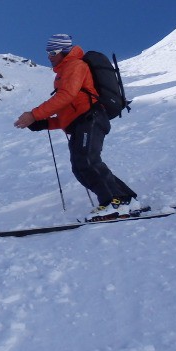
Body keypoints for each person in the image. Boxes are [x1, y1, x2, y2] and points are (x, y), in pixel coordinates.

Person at [13, 34, 137, 219]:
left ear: (64, 51)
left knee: (86, 162)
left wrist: (34, 114)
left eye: (53, 51)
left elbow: (67, 96)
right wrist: (44, 123)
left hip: (91, 118)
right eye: (47, 52)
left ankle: (113, 202)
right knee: (83, 165)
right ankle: (126, 200)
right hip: (83, 122)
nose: (49, 56)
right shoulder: (64, 72)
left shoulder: (75, 65)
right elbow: (69, 113)